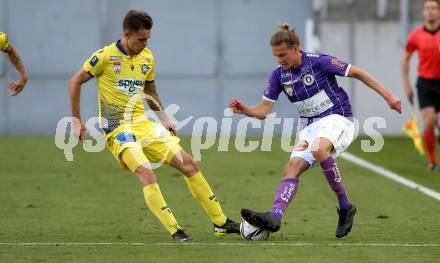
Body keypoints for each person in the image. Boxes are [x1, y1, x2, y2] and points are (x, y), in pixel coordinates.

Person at [68, 10, 239, 242]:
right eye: (141, 39)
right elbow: (74, 81)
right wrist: (76, 120)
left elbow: (150, 91)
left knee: (189, 164)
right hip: (118, 129)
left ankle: (221, 222)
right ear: (126, 35)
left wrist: (164, 118)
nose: (145, 43)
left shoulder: (147, 57)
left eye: (148, 38)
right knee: (147, 174)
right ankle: (176, 231)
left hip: (143, 124)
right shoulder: (105, 57)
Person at [230, 23, 401, 238]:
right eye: (275, 56)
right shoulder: (278, 75)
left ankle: (345, 207)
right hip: (309, 125)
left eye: (282, 54)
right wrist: (246, 110)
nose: (279, 60)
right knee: (291, 168)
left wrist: (388, 96)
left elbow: (356, 72)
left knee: (320, 150)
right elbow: (264, 110)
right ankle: (275, 215)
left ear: (295, 48)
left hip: (337, 117)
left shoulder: (318, 62)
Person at [401, 0, 440, 171]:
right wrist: (407, 84)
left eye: (434, 8)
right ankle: (432, 161)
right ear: (424, 12)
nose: (430, 11)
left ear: (439, 11)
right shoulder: (415, 35)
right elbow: (405, 59)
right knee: (430, 121)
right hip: (425, 83)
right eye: (427, 8)